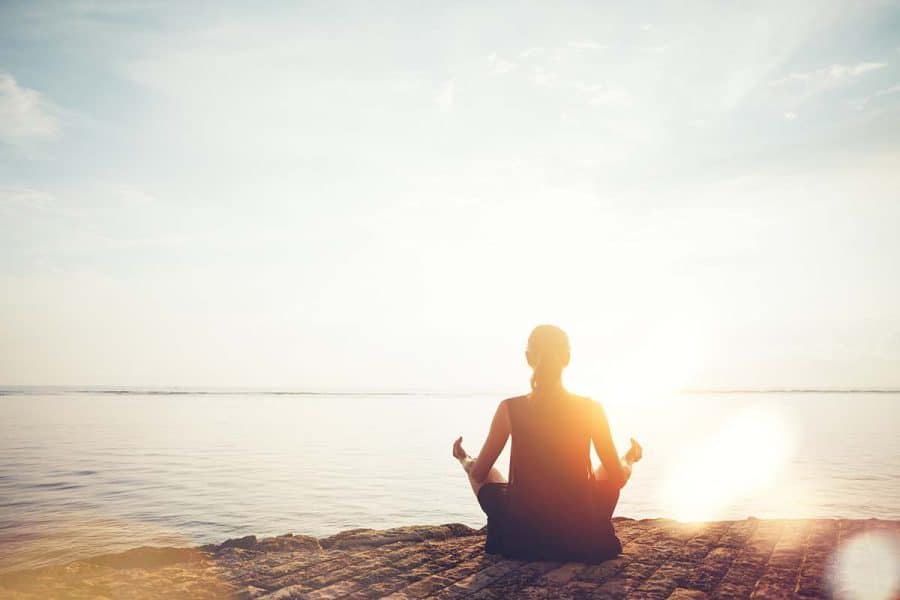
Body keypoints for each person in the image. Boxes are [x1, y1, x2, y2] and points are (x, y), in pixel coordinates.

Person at [451, 324, 643, 562]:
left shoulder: (510, 408)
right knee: (607, 470)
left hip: (523, 536)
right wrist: (629, 459)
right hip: (581, 534)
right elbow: (618, 478)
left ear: (528, 358)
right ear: (567, 358)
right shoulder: (591, 409)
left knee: (481, 466)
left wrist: (463, 458)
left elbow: (480, 474)